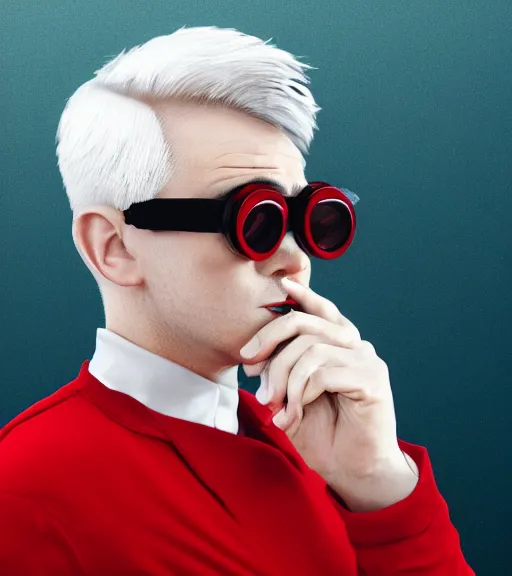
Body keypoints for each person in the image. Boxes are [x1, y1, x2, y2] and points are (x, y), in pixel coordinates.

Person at [0, 26, 474, 575]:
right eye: (257, 222)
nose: (296, 260)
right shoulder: (30, 490)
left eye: (311, 219)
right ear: (115, 248)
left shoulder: (314, 445)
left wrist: (377, 483)